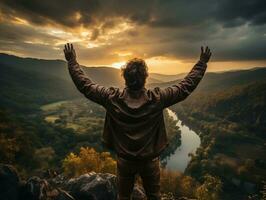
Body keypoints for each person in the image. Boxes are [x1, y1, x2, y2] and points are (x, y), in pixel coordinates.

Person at [63, 44, 211, 200]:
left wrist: (72, 61)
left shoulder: (112, 98)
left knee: (123, 197)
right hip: (150, 162)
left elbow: (85, 85)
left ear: (125, 77)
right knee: (154, 196)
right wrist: (202, 63)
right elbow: (185, 87)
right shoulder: (157, 99)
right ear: (145, 78)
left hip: (125, 161)